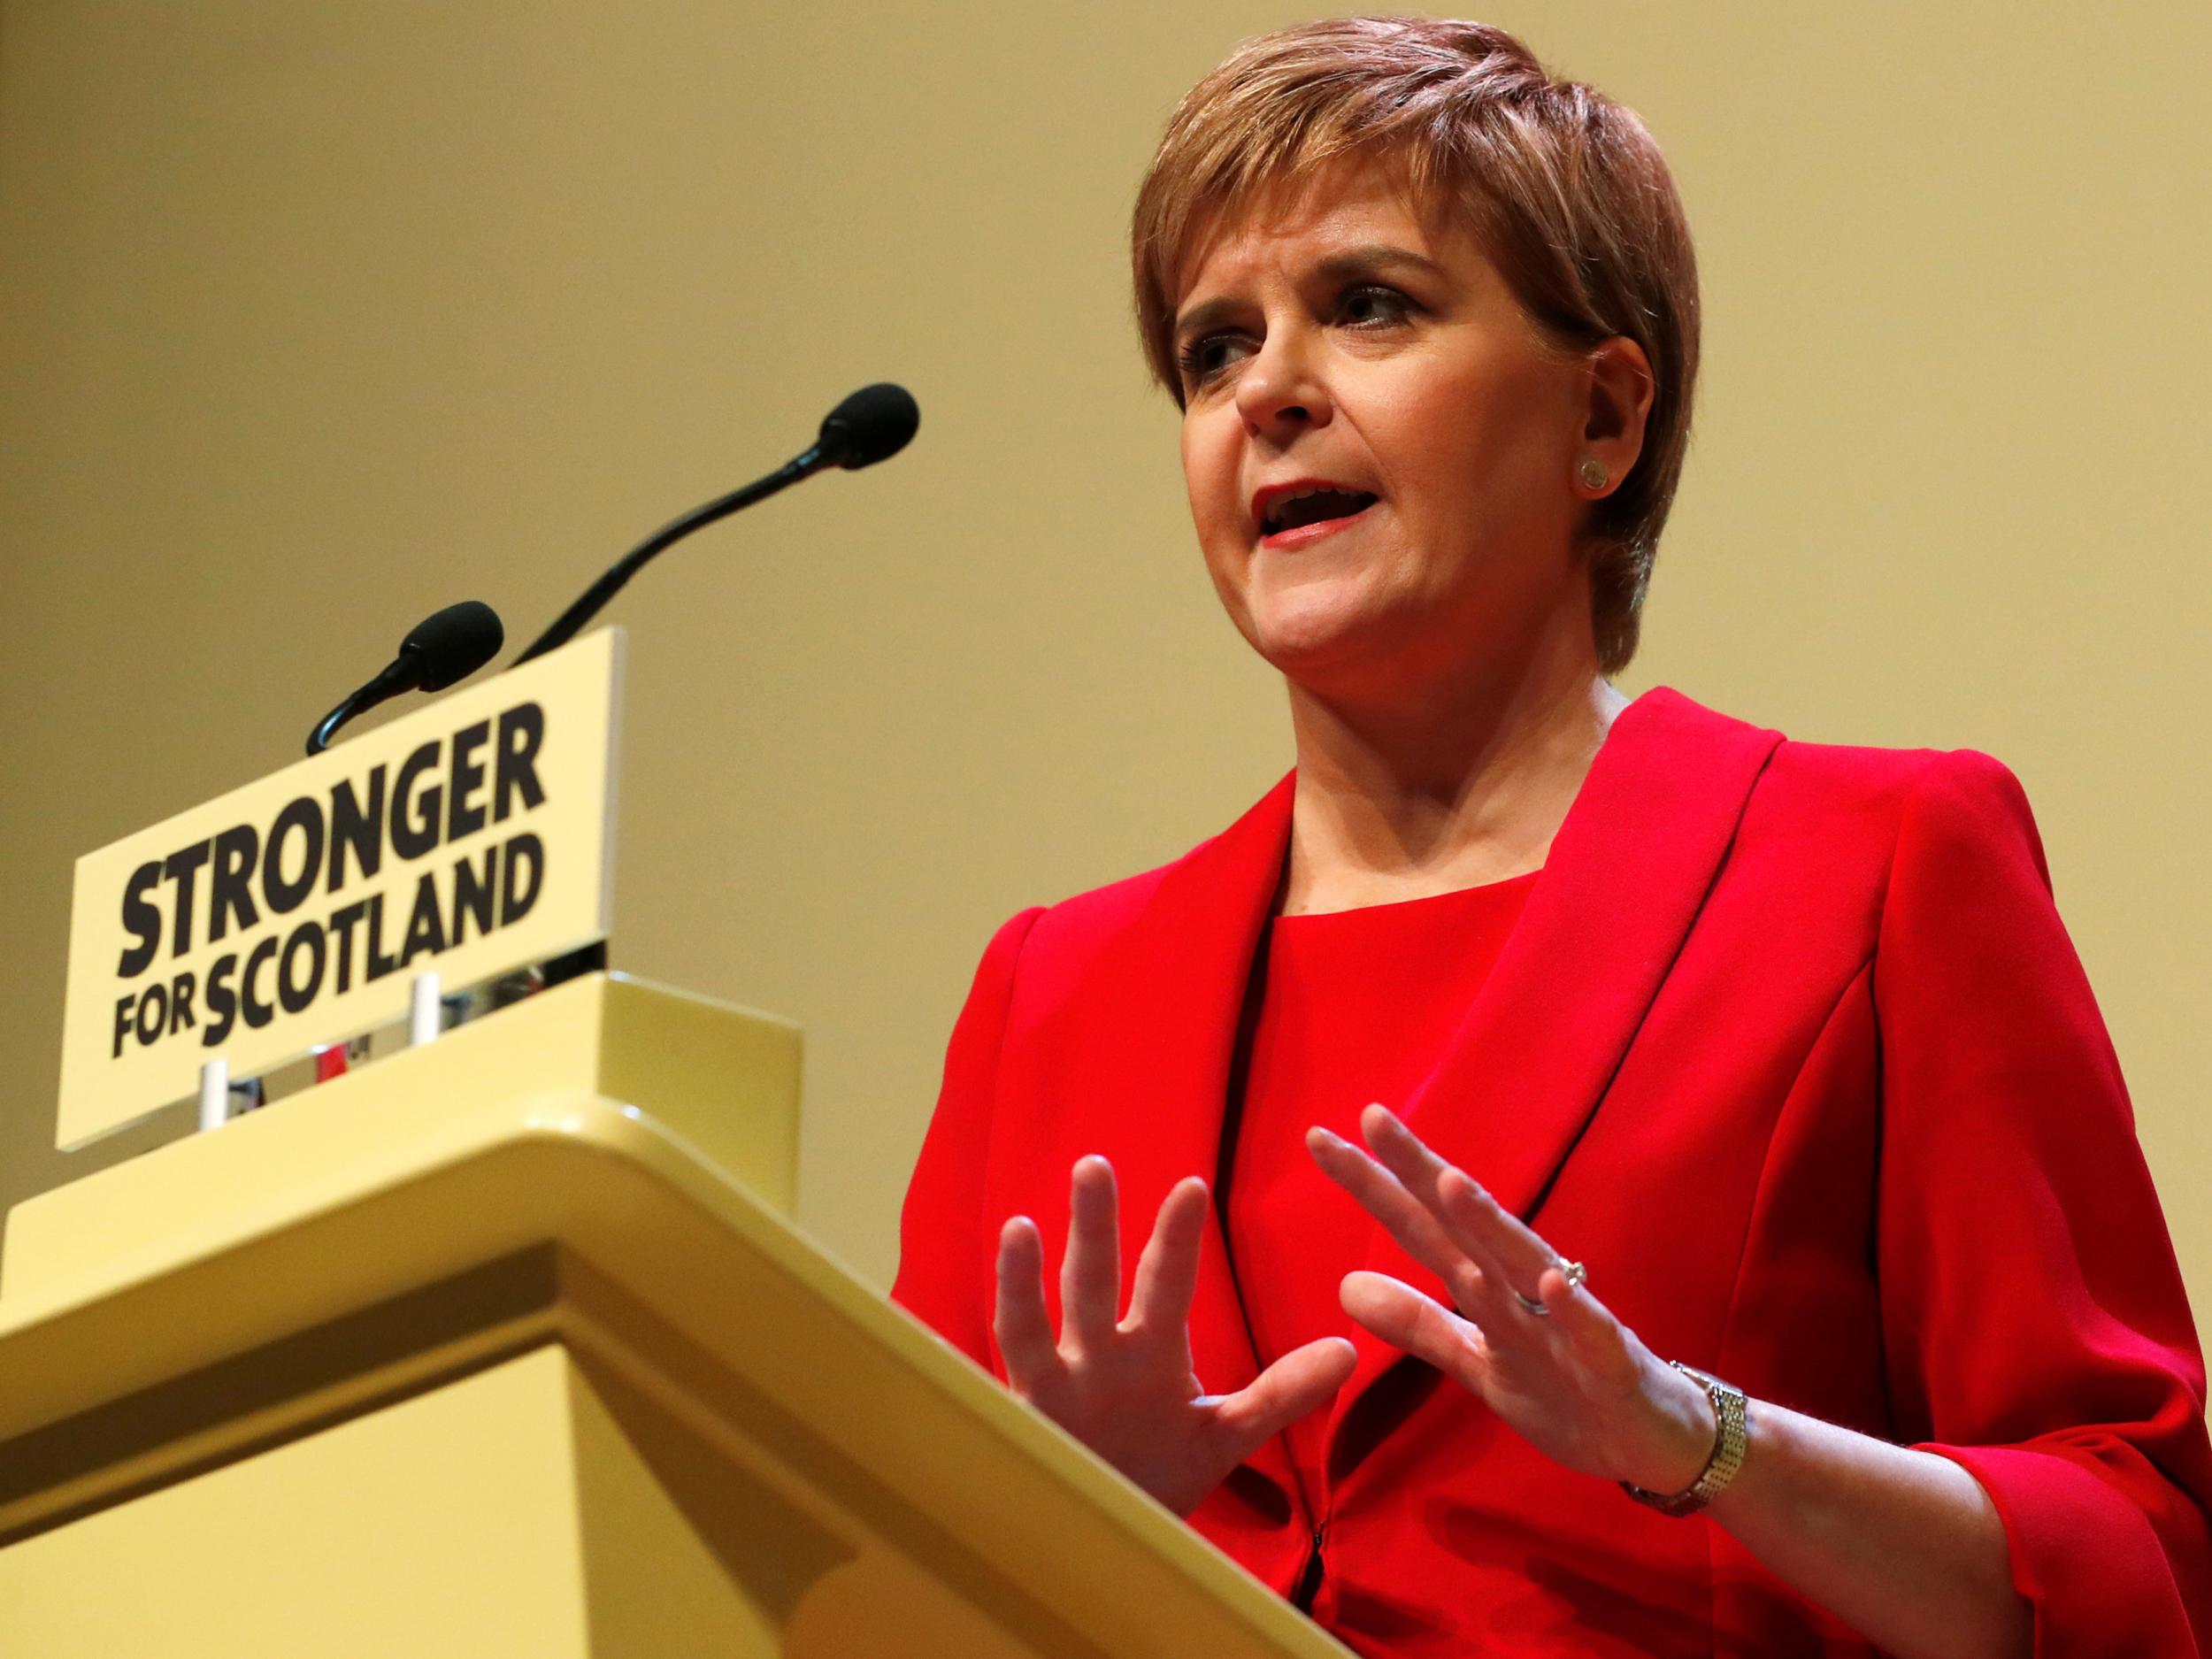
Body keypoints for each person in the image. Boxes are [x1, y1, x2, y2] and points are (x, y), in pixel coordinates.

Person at [891, 17, 2212, 1657]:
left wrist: (1701, 1443)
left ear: (1605, 417)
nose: (1270, 396)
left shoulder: (1875, 866)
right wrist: (1043, 1529)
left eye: (1368, 305)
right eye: (1212, 348)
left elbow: (2133, 1559)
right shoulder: (1050, 996)